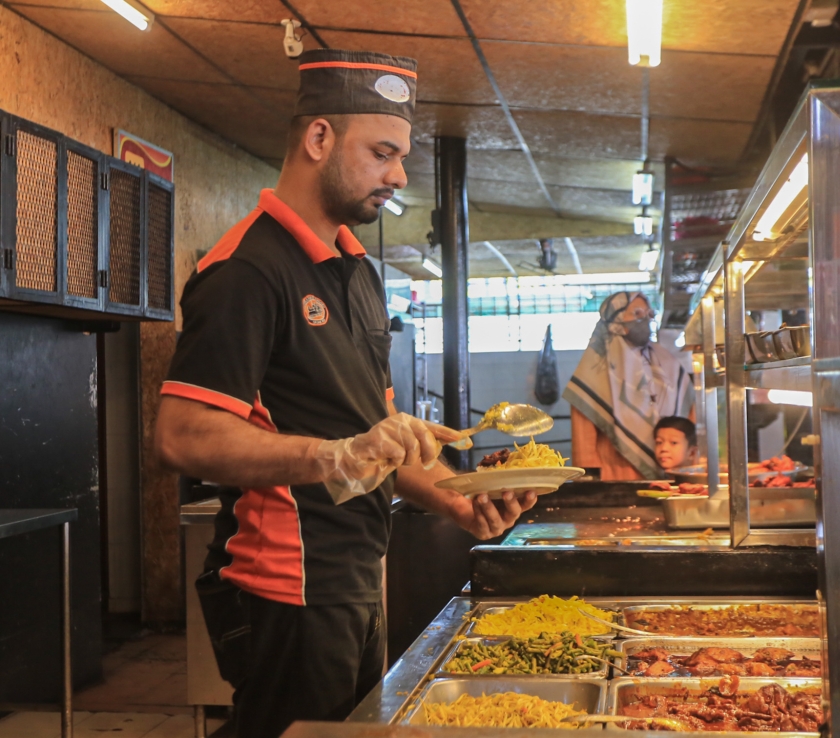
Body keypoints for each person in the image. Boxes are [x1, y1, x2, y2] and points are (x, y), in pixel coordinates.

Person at [153, 49, 536, 738]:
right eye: (382, 152)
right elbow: (183, 433)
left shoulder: (359, 273)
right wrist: (336, 456)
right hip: (284, 586)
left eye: (401, 156)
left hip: (357, 573)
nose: (398, 174)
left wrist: (458, 500)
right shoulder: (246, 269)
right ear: (318, 138)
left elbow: (375, 430)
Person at [564, 292, 694, 480]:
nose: (646, 319)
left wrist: (691, 463)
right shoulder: (595, 369)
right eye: (637, 313)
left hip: (671, 473)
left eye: (649, 313)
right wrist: (589, 480)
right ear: (616, 320)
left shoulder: (667, 361)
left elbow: (690, 414)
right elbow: (584, 437)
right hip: (617, 475)